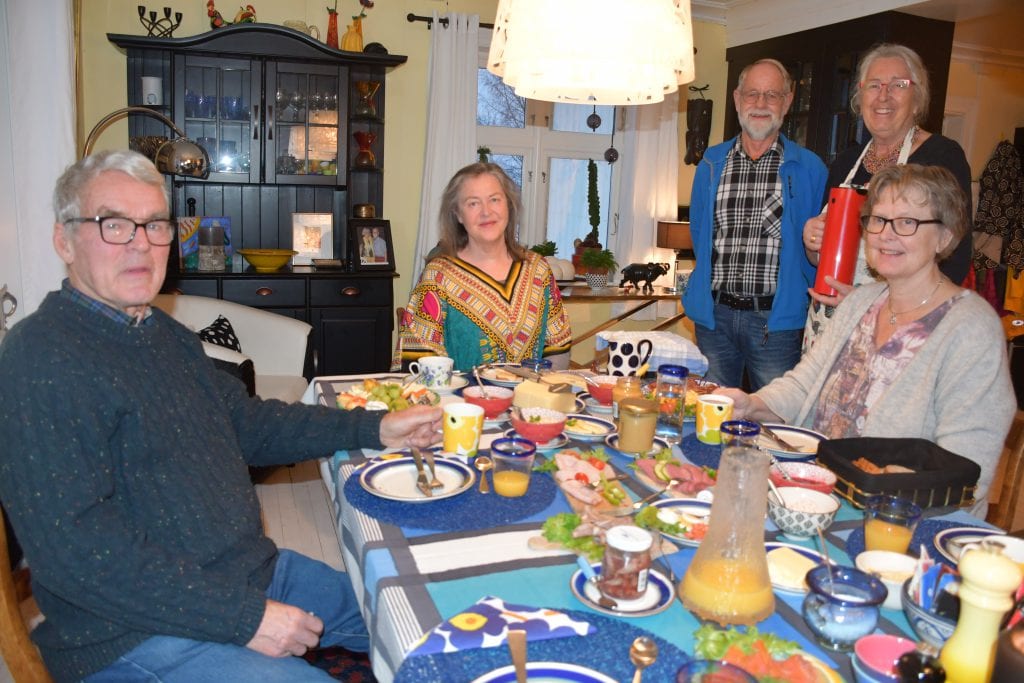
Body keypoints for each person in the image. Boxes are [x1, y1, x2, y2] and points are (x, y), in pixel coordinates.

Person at [0, 150, 442, 682]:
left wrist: (374, 426)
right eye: (113, 224)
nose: (141, 242)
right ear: (64, 240)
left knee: (423, 618)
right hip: (132, 631)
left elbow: (251, 425)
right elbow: (79, 554)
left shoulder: (162, 335)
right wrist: (242, 618)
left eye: (155, 224)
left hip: (244, 573)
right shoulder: (39, 359)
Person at [722, 164, 1013, 517]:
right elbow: (803, 386)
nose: (885, 234)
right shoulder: (861, 301)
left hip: (894, 517)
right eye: (878, 219)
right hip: (811, 493)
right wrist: (750, 404)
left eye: (907, 222)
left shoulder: (971, 328)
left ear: (945, 236)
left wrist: (876, 487)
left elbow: (966, 470)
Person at [802, 43, 973, 350]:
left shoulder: (941, 157)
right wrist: (812, 240)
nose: (884, 96)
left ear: (917, 97)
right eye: (874, 86)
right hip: (831, 322)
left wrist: (876, 303)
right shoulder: (846, 162)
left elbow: (955, 258)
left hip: (900, 326)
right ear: (860, 96)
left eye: (898, 85)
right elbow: (824, 254)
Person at [682, 58, 827, 390]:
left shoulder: (810, 169)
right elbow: (700, 234)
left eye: (772, 95)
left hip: (775, 324)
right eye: (752, 94)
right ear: (737, 99)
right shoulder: (710, 164)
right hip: (714, 320)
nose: (761, 104)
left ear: (788, 102)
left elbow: (818, 247)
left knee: (774, 419)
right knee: (711, 414)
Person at [395, 162, 573, 372]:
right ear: (458, 214)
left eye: (495, 200)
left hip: (529, 403)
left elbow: (557, 347)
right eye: (473, 203)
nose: (486, 212)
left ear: (508, 205)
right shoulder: (438, 277)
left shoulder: (538, 270)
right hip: (461, 403)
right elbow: (418, 363)